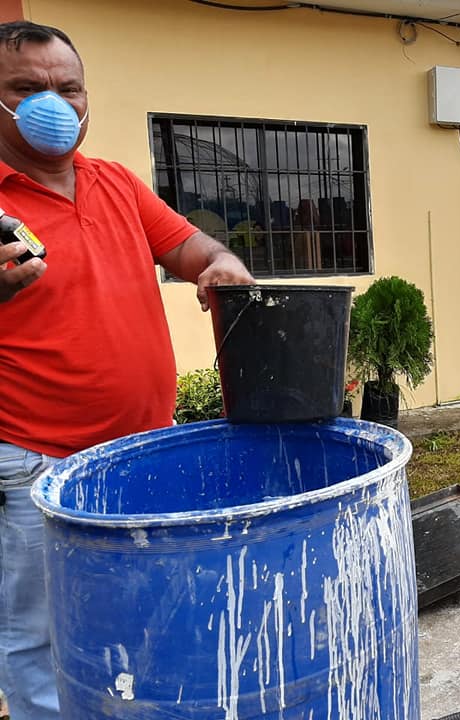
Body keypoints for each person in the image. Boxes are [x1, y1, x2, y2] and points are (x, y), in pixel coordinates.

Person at [0, 21, 254, 718]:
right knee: (40, 637)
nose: (53, 104)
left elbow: (192, 246)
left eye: (68, 88)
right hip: (35, 463)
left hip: (144, 452)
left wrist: (221, 263)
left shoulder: (114, 183)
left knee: (147, 612)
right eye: (26, 88)